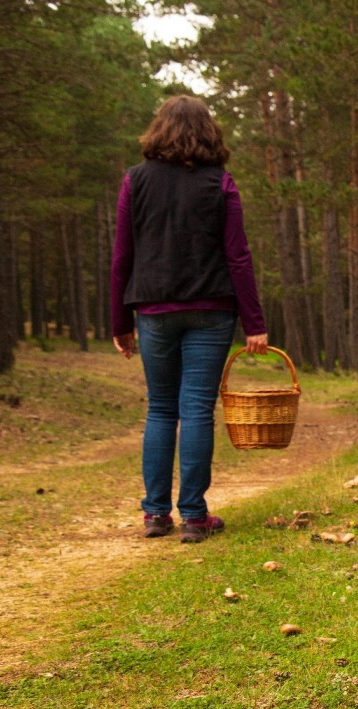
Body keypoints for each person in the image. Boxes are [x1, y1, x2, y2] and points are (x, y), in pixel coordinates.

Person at [110, 95, 268, 543]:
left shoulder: (135, 181)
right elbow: (238, 256)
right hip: (211, 309)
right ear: (208, 132)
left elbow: (123, 256)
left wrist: (119, 321)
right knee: (196, 408)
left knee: (161, 408)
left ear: (158, 130)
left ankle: (156, 515)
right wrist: (254, 322)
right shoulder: (220, 183)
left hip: (153, 308)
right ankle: (194, 518)